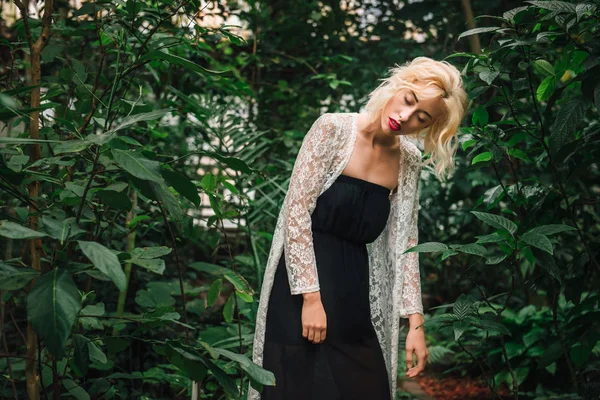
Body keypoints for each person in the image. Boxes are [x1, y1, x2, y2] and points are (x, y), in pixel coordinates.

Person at [248, 57, 468, 400]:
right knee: (294, 388)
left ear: (429, 126)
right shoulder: (332, 129)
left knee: (367, 388)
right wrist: (310, 298)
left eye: (421, 118)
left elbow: (405, 241)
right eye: (409, 101)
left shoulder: (408, 159)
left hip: (354, 291)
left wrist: (415, 323)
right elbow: (296, 214)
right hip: (300, 285)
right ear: (397, 87)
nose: (406, 117)